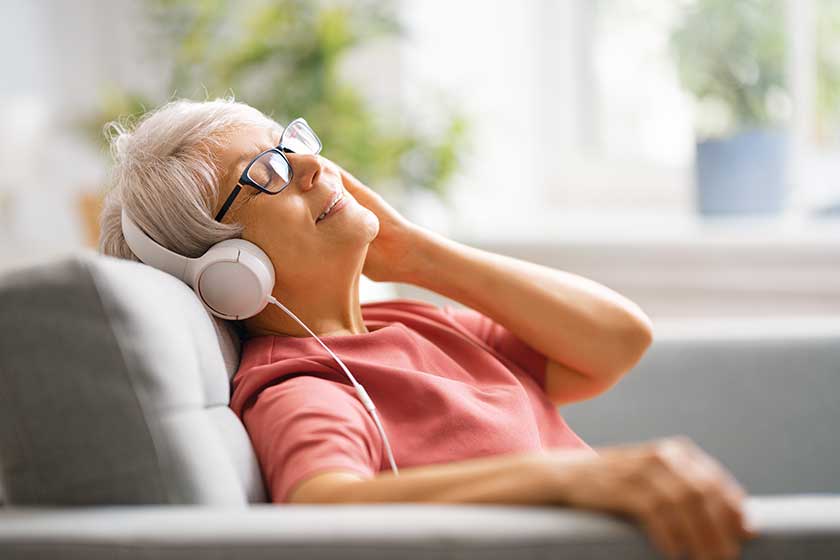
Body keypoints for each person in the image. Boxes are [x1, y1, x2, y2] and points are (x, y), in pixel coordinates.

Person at [99, 97, 757, 560]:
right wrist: (572, 482)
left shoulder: (411, 323)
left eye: (289, 142)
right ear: (229, 271)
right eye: (265, 172)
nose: (308, 165)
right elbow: (322, 506)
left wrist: (415, 252)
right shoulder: (304, 384)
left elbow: (618, 341)